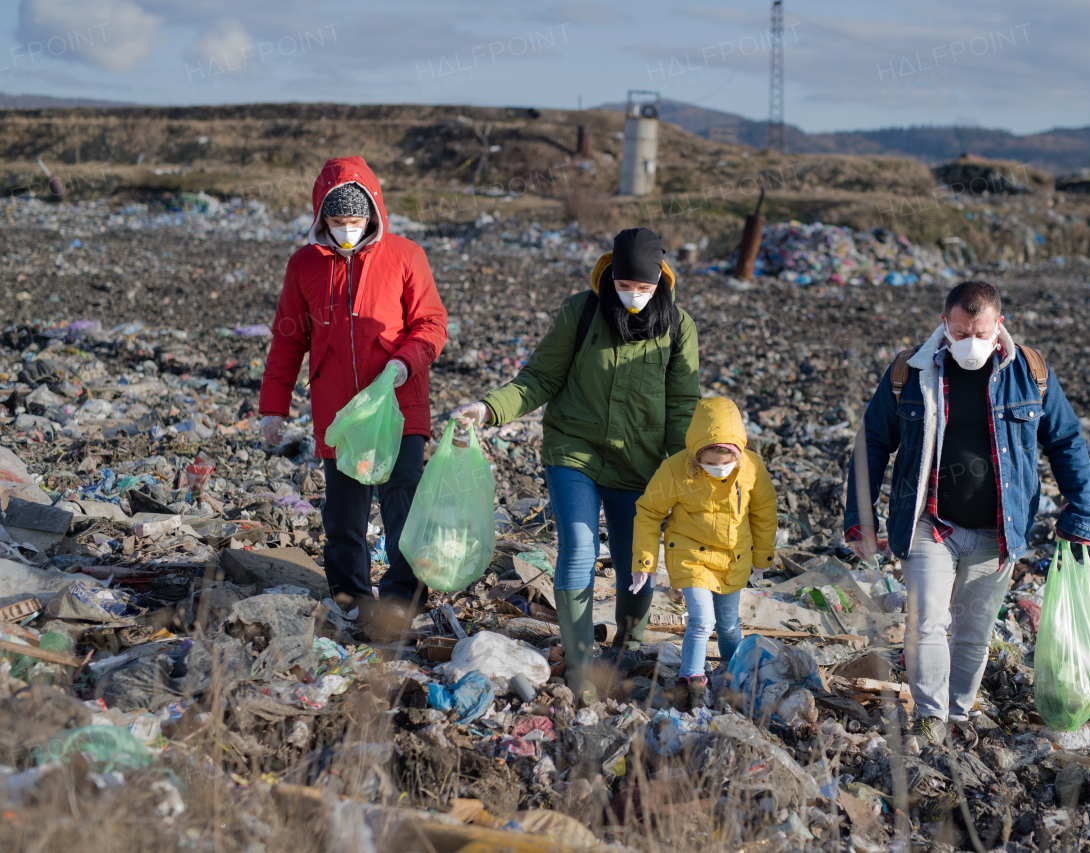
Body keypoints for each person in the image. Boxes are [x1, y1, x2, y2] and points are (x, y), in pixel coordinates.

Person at [843, 280, 1090, 747]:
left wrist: (1080, 513)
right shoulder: (911, 371)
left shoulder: (1030, 372)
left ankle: (957, 714)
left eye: (980, 332)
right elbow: (873, 442)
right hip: (929, 523)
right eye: (960, 333)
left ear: (999, 325)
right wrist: (860, 519)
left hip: (996, 532)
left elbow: (1065, 441)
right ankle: (931, 717)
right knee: (925, 623)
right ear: (945, 325)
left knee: (974, 632)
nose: (970, 344)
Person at [451, 227, 700, 698]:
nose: (633, 297)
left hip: (640, 463)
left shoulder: (678, 326)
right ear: (610, 278)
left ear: (660, 283)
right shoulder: (581, 312)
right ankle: (581, 667)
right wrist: (487, 409)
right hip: (575, 451)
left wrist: (684, 469)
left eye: (644, 289)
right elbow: (540, 378)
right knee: (580, 550)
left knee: (636, 565)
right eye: (625, 287)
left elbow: (683, 405)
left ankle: (629, 649)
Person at [259, 156, 448, 639]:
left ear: (373, 214)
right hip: (340, 413)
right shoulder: (304, 264)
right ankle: (352, 602)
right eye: (338, 221)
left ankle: (401, 603)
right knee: (343, 515)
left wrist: (404, 361)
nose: (348, 230)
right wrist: (274, 408)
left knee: (401, 504)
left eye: (356, 220)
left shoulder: (406, 256)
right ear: (322, 218)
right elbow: (288, 338)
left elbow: (431, 323)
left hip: (399, 403)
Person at [630, 397, 777, 710]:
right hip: (690, 553)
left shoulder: (752, 468)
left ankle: (732, 676)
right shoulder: (675, 470)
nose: (718, 468)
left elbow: (764, 512)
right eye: (709, 461)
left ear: (738, 452)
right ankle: (692, 681)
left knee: (728, 624)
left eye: (725, 462)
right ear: (696, 453)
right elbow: (649, 511)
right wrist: (645, 562)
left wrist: (763, 559)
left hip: (733, 557)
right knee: (702, 620)